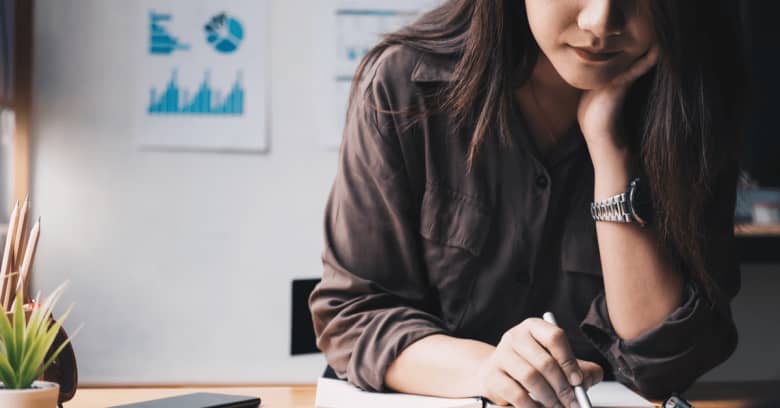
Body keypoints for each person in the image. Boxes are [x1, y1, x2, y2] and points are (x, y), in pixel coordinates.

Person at [309, 0, 745, 406]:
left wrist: (609, 151)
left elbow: (664, 364)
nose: (600, 22)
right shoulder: (407, 84)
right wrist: (488, 370)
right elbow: (353, 314)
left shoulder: (695, 100)